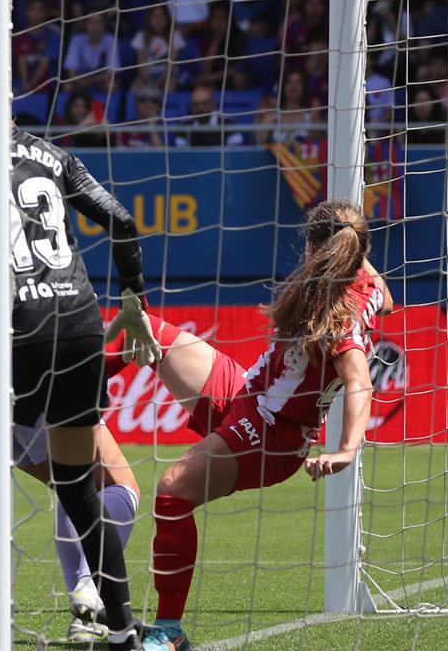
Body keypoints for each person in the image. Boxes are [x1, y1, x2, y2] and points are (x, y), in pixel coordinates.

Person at [0, 54, 149, 650]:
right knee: (76, 485)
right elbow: (119, 219)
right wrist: (133, 299)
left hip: (11, 334)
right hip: (80, 324)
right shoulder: (52, 154)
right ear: (8, 97)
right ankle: (123, 629)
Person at [128, 200, 390, 651]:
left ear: (312, 247)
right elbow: (385, 297)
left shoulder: (336, 312)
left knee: (172, 490)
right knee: (143, 327)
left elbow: (358, 379)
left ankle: (168, 631)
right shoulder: (365, 284)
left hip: (270, 435)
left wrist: (347, 449)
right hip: (245, 393)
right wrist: (354, 240)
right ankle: (69, 408)